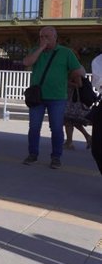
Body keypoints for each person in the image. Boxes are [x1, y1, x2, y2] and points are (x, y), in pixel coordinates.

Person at [22, 26, 86, 168]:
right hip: (37, 97)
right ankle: (33, 154)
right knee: (34, 127)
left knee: (56, 128)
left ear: (55, 38)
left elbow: (79, 71)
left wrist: (69, 80)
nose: (43, 39)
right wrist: (40, 48)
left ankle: (56, 157)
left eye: (47, 37)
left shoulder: (66, 53)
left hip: (57, 97)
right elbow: (26, 62)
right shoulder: (35, 51)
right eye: (41, 37)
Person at [63, 77, 92, 150]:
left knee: (69, 120)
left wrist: (66, 82)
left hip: (72, 99)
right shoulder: (77, 69)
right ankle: (87, 137)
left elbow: (79, 84)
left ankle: (69, 142)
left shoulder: (75, 71)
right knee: (73, 121)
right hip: (70, 98)